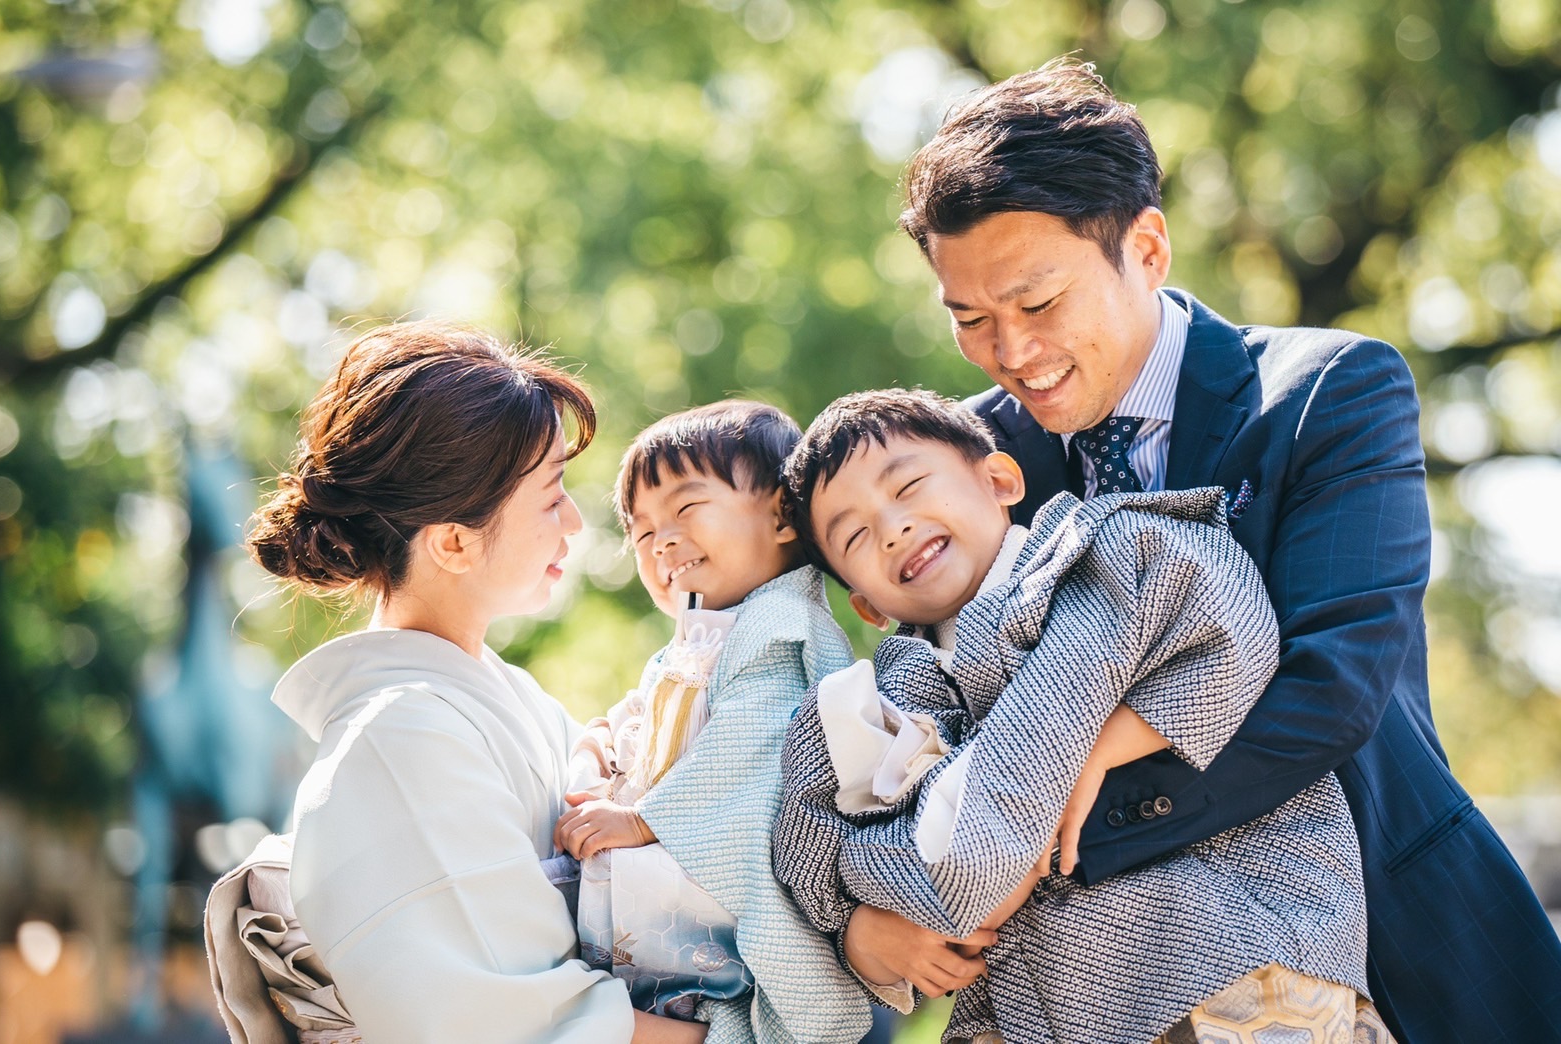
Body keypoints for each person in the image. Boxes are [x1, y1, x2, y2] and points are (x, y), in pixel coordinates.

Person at [841, 57, 1561, 1041]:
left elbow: (1326, 690)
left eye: (1037, 304)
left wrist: (1003, 859)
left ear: (1146, 248)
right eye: (967, 318)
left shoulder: (1326, 393)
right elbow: (879, 720)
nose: (1008, 351)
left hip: (1366, 959)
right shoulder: (960, 464)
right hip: (1072, 998)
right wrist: (857, 924)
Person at [773, 387, 1394, 1044]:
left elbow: (1233, 635)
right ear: (867, 606)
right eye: (856, 535)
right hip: (1026, 1012)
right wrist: (861, 935)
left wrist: (1095, 750)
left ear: (999, 479)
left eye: (909, 487)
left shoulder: (1106, 551)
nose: (892, 527)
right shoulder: (878, 707)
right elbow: (808, 841)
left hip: (1225, 958)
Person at [242, 320, 704, 1043]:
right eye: (552, 496)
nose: (576, 522)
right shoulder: (398, 740)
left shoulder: (506, 700)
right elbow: (521, 1024)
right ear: (453, 541)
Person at [553, 401, 871, 1042]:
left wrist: (642, 819)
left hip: (732, 878)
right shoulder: (699, 636)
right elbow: (648, 713)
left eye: (686, 509)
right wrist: (603, 739)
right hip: (677, 893)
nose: (661, 540)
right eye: (641, 533)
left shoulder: (783, 626)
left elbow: (749, 746)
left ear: (782, 516)